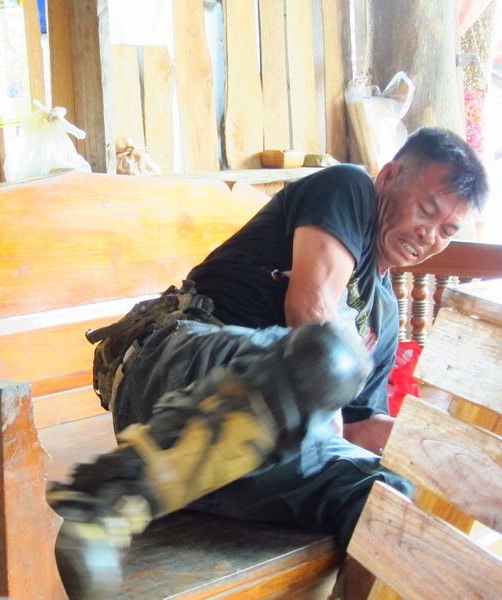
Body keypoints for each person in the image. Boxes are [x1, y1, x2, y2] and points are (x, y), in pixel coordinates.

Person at [48, 127, 488, 600]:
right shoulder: (347, 189)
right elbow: (310, 311)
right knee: (328, 357)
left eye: (447, 231)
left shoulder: (384, 316)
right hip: (175, 373)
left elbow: (360, 428)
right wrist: (325, 426)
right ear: (390, 176)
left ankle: (119, 500)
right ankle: (108, 497)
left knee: (386, 498)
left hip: (241, 459)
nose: (429, 236)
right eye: (426, 210)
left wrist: (454, 462)